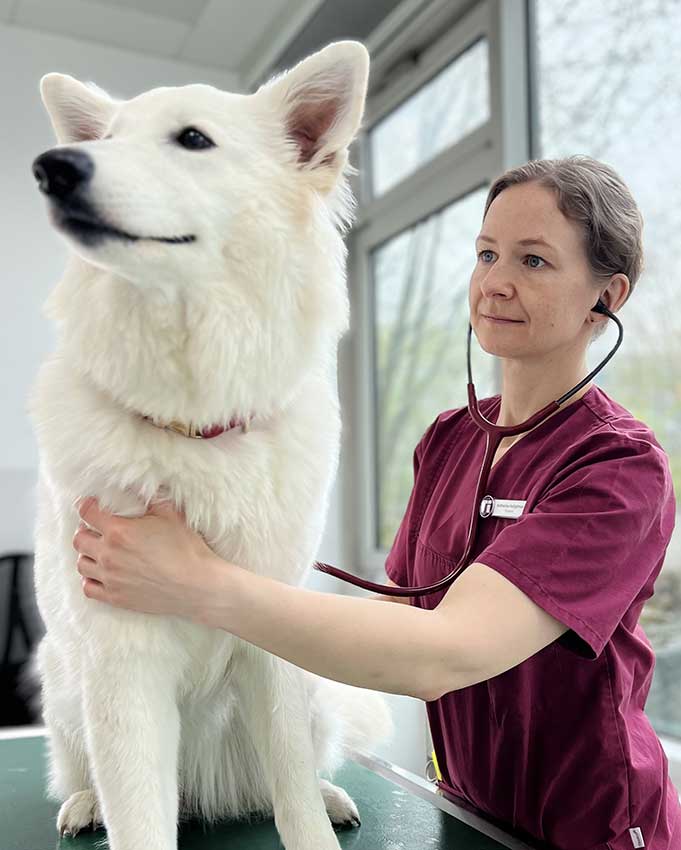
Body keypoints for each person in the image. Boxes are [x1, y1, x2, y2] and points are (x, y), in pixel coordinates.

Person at [72, 155, 680, 850]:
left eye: (533, 261)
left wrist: (199, 584)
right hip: (467, 806)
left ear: (607, 296)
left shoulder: (618, 469)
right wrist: (231, 628)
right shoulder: (451, 438)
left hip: (589, 825)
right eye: (486, 253)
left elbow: (442, 652)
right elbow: (396, 610)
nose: (494, 283)